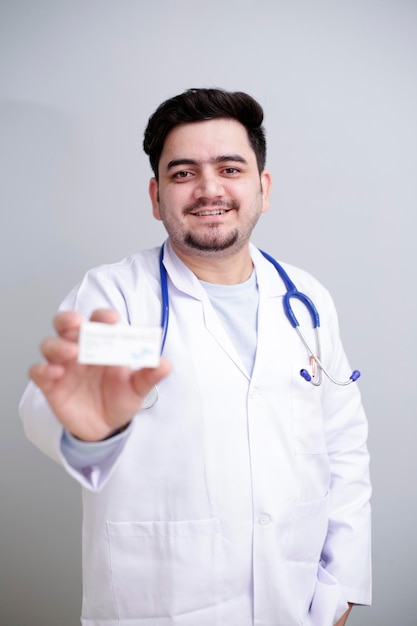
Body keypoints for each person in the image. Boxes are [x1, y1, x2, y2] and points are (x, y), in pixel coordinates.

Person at [19, 88, 371, 626]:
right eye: (183, 174)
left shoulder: (306, 301)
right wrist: (91, 432)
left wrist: (341, 587)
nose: (209, 189)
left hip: (295, 605)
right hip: (158, 607)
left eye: (230, 168)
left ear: (263, 187)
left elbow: (343, 445)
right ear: (157, 197)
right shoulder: (120, 300)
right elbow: (59, 405)